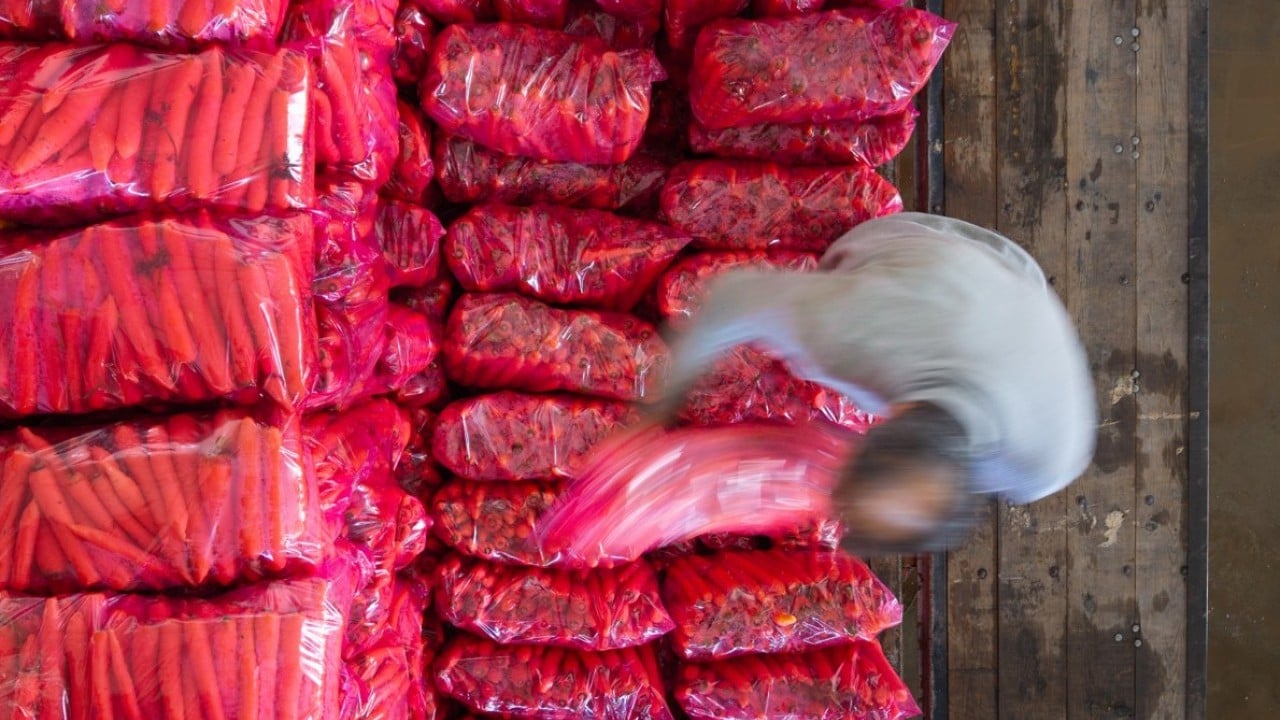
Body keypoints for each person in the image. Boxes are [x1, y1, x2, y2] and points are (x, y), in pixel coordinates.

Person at [645, 212, 1098, 554]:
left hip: (1015, 294)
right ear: (870, 423)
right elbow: (733, 297)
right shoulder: (849, 338)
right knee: (807, 351)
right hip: (920, 250)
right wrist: (655, 409)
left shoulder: (1046, 466)